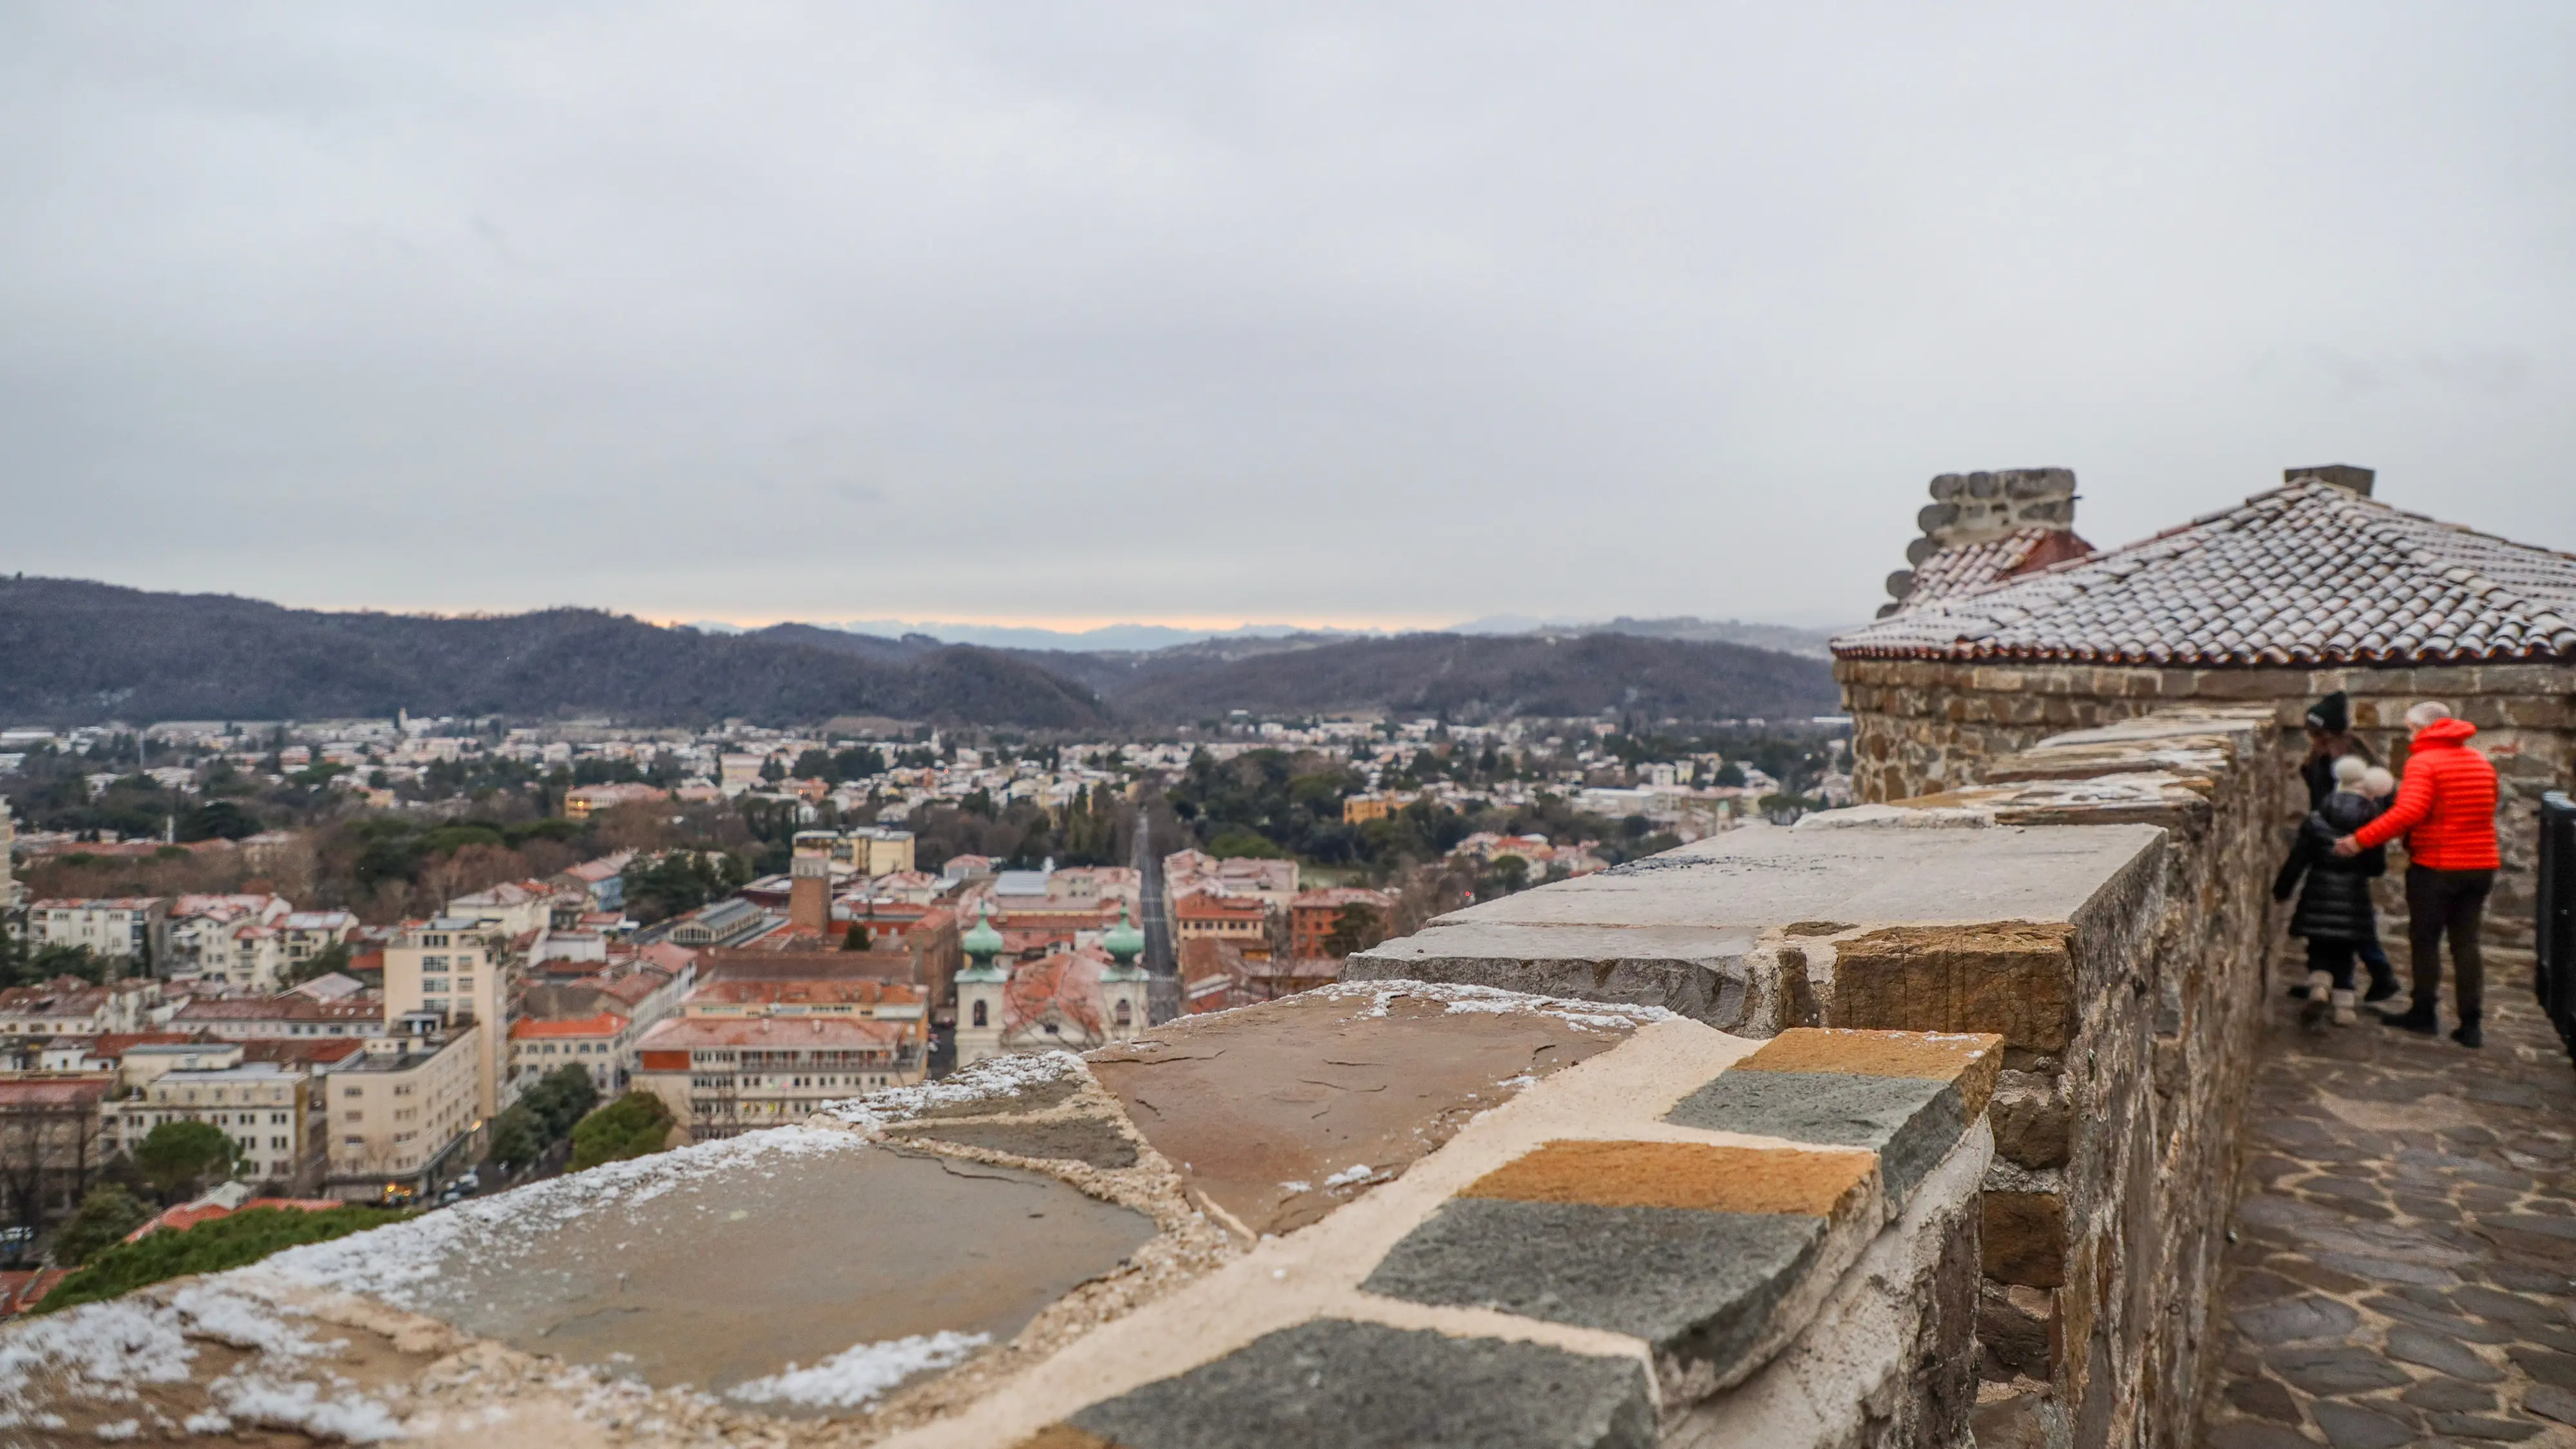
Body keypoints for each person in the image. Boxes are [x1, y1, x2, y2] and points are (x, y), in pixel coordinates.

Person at [2334, 702, 2501, 1047]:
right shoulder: (2480, 761)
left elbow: (2408, 812)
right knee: (2466, 943)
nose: (2408, 733)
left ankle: (2424, 1012)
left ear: (2424, 728)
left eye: (2410, 727)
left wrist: (2358, 841)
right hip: (2481, 864)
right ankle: (2471, 1024)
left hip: (2437, 866)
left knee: (2425, 940)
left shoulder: (2424, 763)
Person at [2275, 756, 2387, 1026]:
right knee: (2345, 951)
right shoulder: (2372, 822)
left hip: (2318, 890)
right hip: (2353, 895)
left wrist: (2283, 888)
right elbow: (2376, 867)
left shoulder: (2317, 819)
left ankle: (2319, 986)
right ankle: (2344, 1008)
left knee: (2319, 946)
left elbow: (2298, 859)